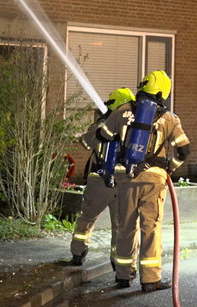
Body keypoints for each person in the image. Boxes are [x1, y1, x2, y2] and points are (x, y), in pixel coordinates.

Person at [97, 70, 190, 293]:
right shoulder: (170, 118)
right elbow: (184, 150)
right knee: (151, 227)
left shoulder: (123, 110)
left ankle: (123, 275)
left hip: (125, 177)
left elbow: (104, 136)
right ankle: (150, 280)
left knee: (125, 227)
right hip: (154, 179)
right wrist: (171, 166)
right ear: (162, 91)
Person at [69, 87, 135, 267]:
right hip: (125, 182)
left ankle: (78, 253)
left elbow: (85, 141)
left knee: (87, 218)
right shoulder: (135, 130)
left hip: (99, 179)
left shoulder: (102, 125)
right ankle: (121, 268)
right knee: (121, 227)